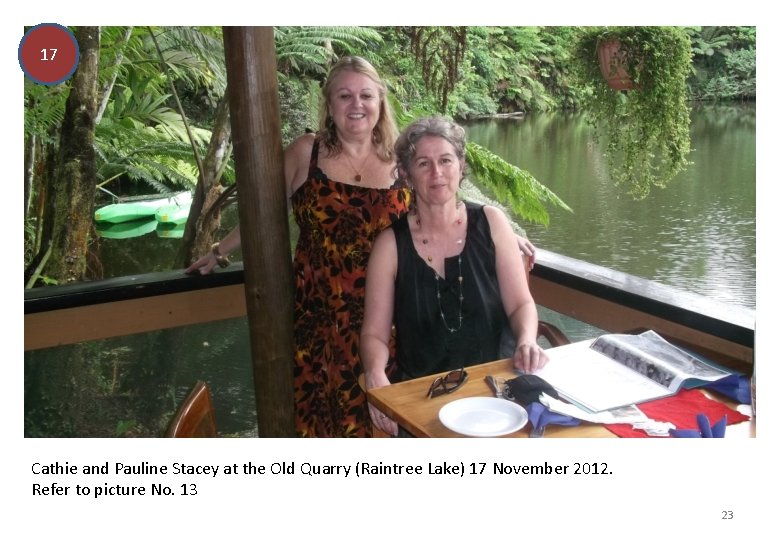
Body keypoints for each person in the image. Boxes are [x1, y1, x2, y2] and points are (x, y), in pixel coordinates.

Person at [187, 57, 537, 437]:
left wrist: (501, 234)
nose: (357, 104)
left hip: (387, 320)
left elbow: (442, 189)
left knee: (383, 426)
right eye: (345, 95)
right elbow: (264, 212)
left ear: (380, 102)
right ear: (329, 104)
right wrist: (220, 250)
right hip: (320, 317)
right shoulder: (307, 153)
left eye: (366, 95)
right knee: (320, 421)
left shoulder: (397, 161)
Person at [360, 116, 549, 436]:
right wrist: (376, 374)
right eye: (423, 163)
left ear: (461, 166)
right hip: (423, 398)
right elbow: (374, 335)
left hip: (496, 395)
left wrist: (527, 339)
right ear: (406, 174)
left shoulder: (492, 223)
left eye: (446, 160)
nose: (437, 173)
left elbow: (521, 305)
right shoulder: (390, 245)